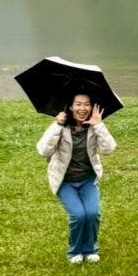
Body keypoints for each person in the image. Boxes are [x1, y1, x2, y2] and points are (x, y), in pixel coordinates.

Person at [36, 92, 117, 263]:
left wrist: (99, 125)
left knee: (92, 213)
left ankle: (90, 249)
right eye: (78, 104)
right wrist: (57, 124)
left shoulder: (93, 127)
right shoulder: (61, 127)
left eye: (87, 104)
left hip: (88, 179)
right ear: (71, 107)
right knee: (79, 215)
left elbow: (108, 149)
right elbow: (43, 151)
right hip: (65, 181)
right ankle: (74, 252)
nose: (82, 108)